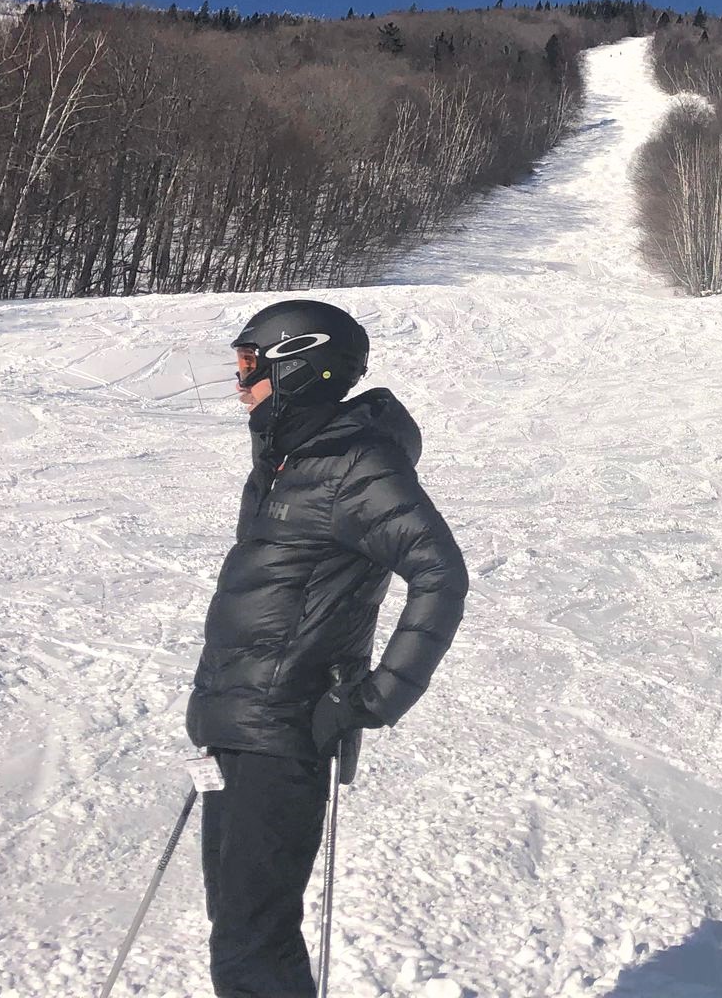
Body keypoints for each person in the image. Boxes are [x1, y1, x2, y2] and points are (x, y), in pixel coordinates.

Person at [186, 298, 468, 997]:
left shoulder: (355, 465)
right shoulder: (289, 459)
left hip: (285, 731)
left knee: (254, 943)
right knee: (238, 930)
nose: (240, 379)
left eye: (251, 363)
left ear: (301, 368)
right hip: (237, 726)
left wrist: (375, 698)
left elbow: (439, 572)